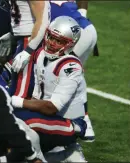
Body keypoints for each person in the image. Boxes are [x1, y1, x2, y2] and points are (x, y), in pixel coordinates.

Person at [11, 16, 88, 162]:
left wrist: (16, 101)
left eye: (59, 41)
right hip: (49, 117)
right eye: (51, 37)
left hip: (68, 120)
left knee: (24, 122)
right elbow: (37, 97)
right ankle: (61, 155)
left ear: (70, 44)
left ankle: (70, 146)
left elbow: (51, 107)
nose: (52, 43)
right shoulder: (40, 54)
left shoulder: (70, 67)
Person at [49, 0, 97, 141]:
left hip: (75, 31)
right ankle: (84, 123)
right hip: (86, 28)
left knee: (57, 71)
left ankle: (72, 123)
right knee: (74, 73)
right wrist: (82, 19)